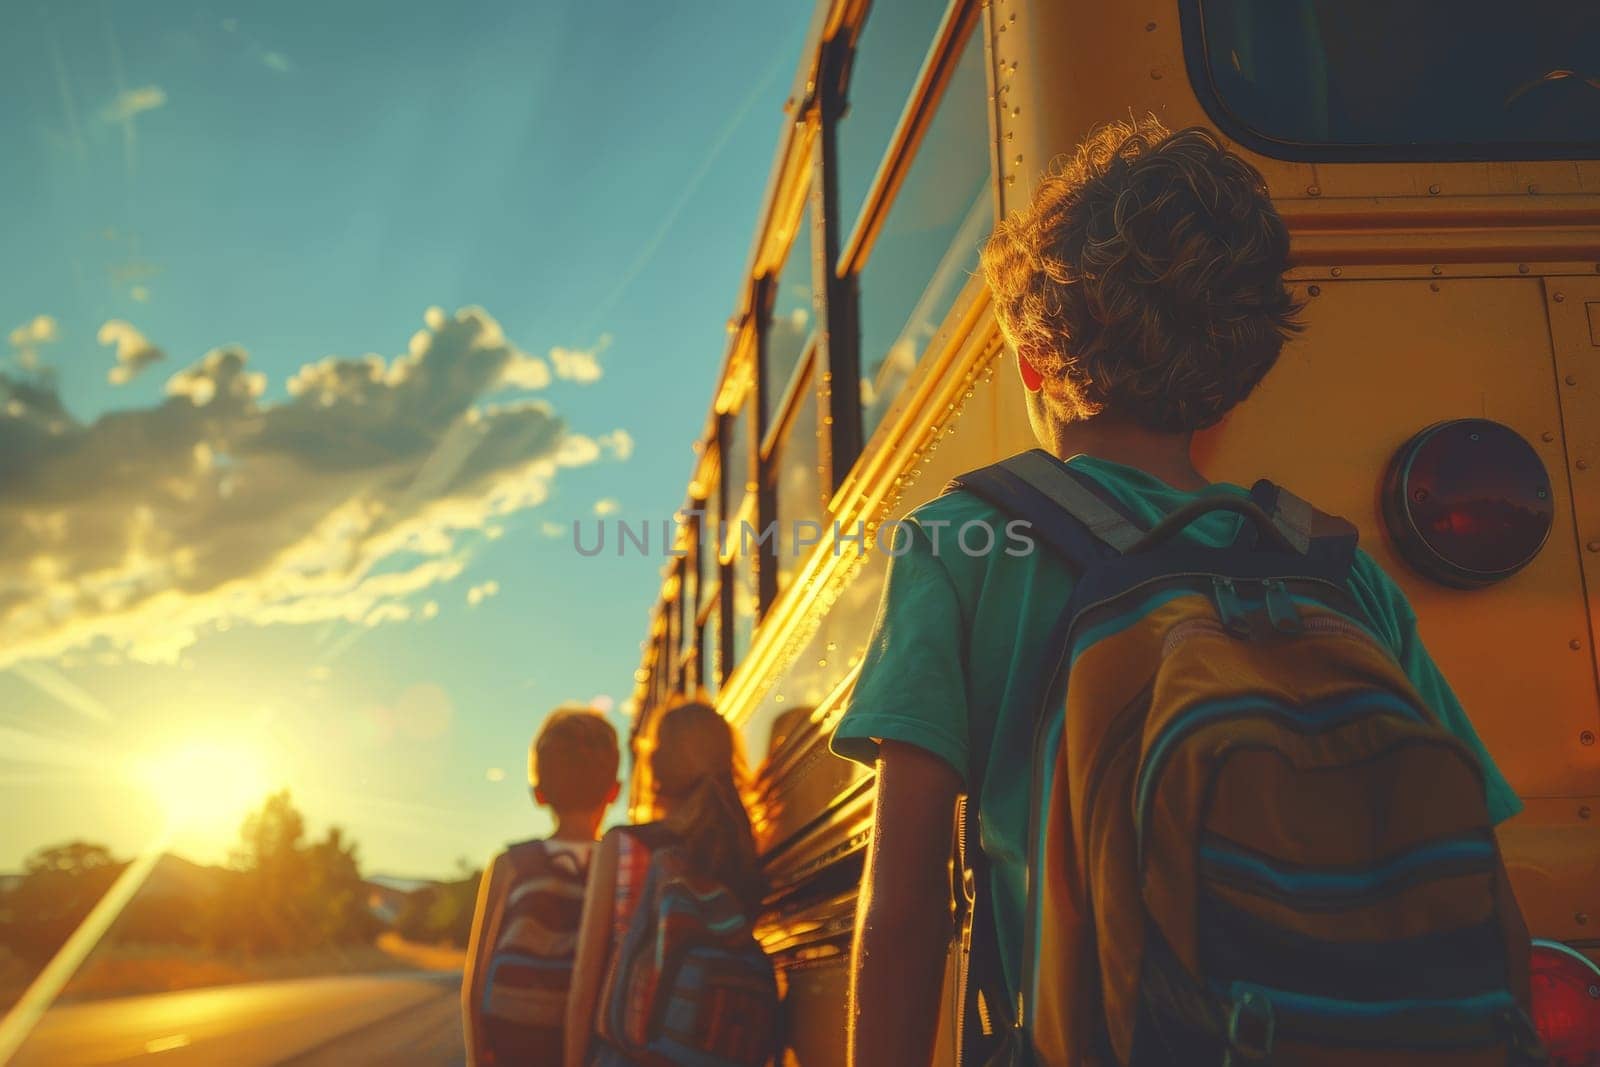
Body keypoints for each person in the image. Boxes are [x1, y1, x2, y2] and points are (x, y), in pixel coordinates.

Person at [830, 117, 1522, 1067]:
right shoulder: (1338, 570)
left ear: (1033, 359)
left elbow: (906, 900)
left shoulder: (961, 541)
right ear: (1235, 381)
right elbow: (1483, 894)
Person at [565, 698, 774, 1067]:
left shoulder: (625, 844)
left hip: (631, 1052)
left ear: (657, 763)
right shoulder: (739, 852)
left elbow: (587, 977)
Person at [463, 705, 621, 1067]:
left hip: (512, 1038)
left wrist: (477, 1058)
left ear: (539, 792)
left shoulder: (511, 863)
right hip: (589, 1042)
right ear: (614, 791)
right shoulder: (616, 865)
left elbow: (476, 980)